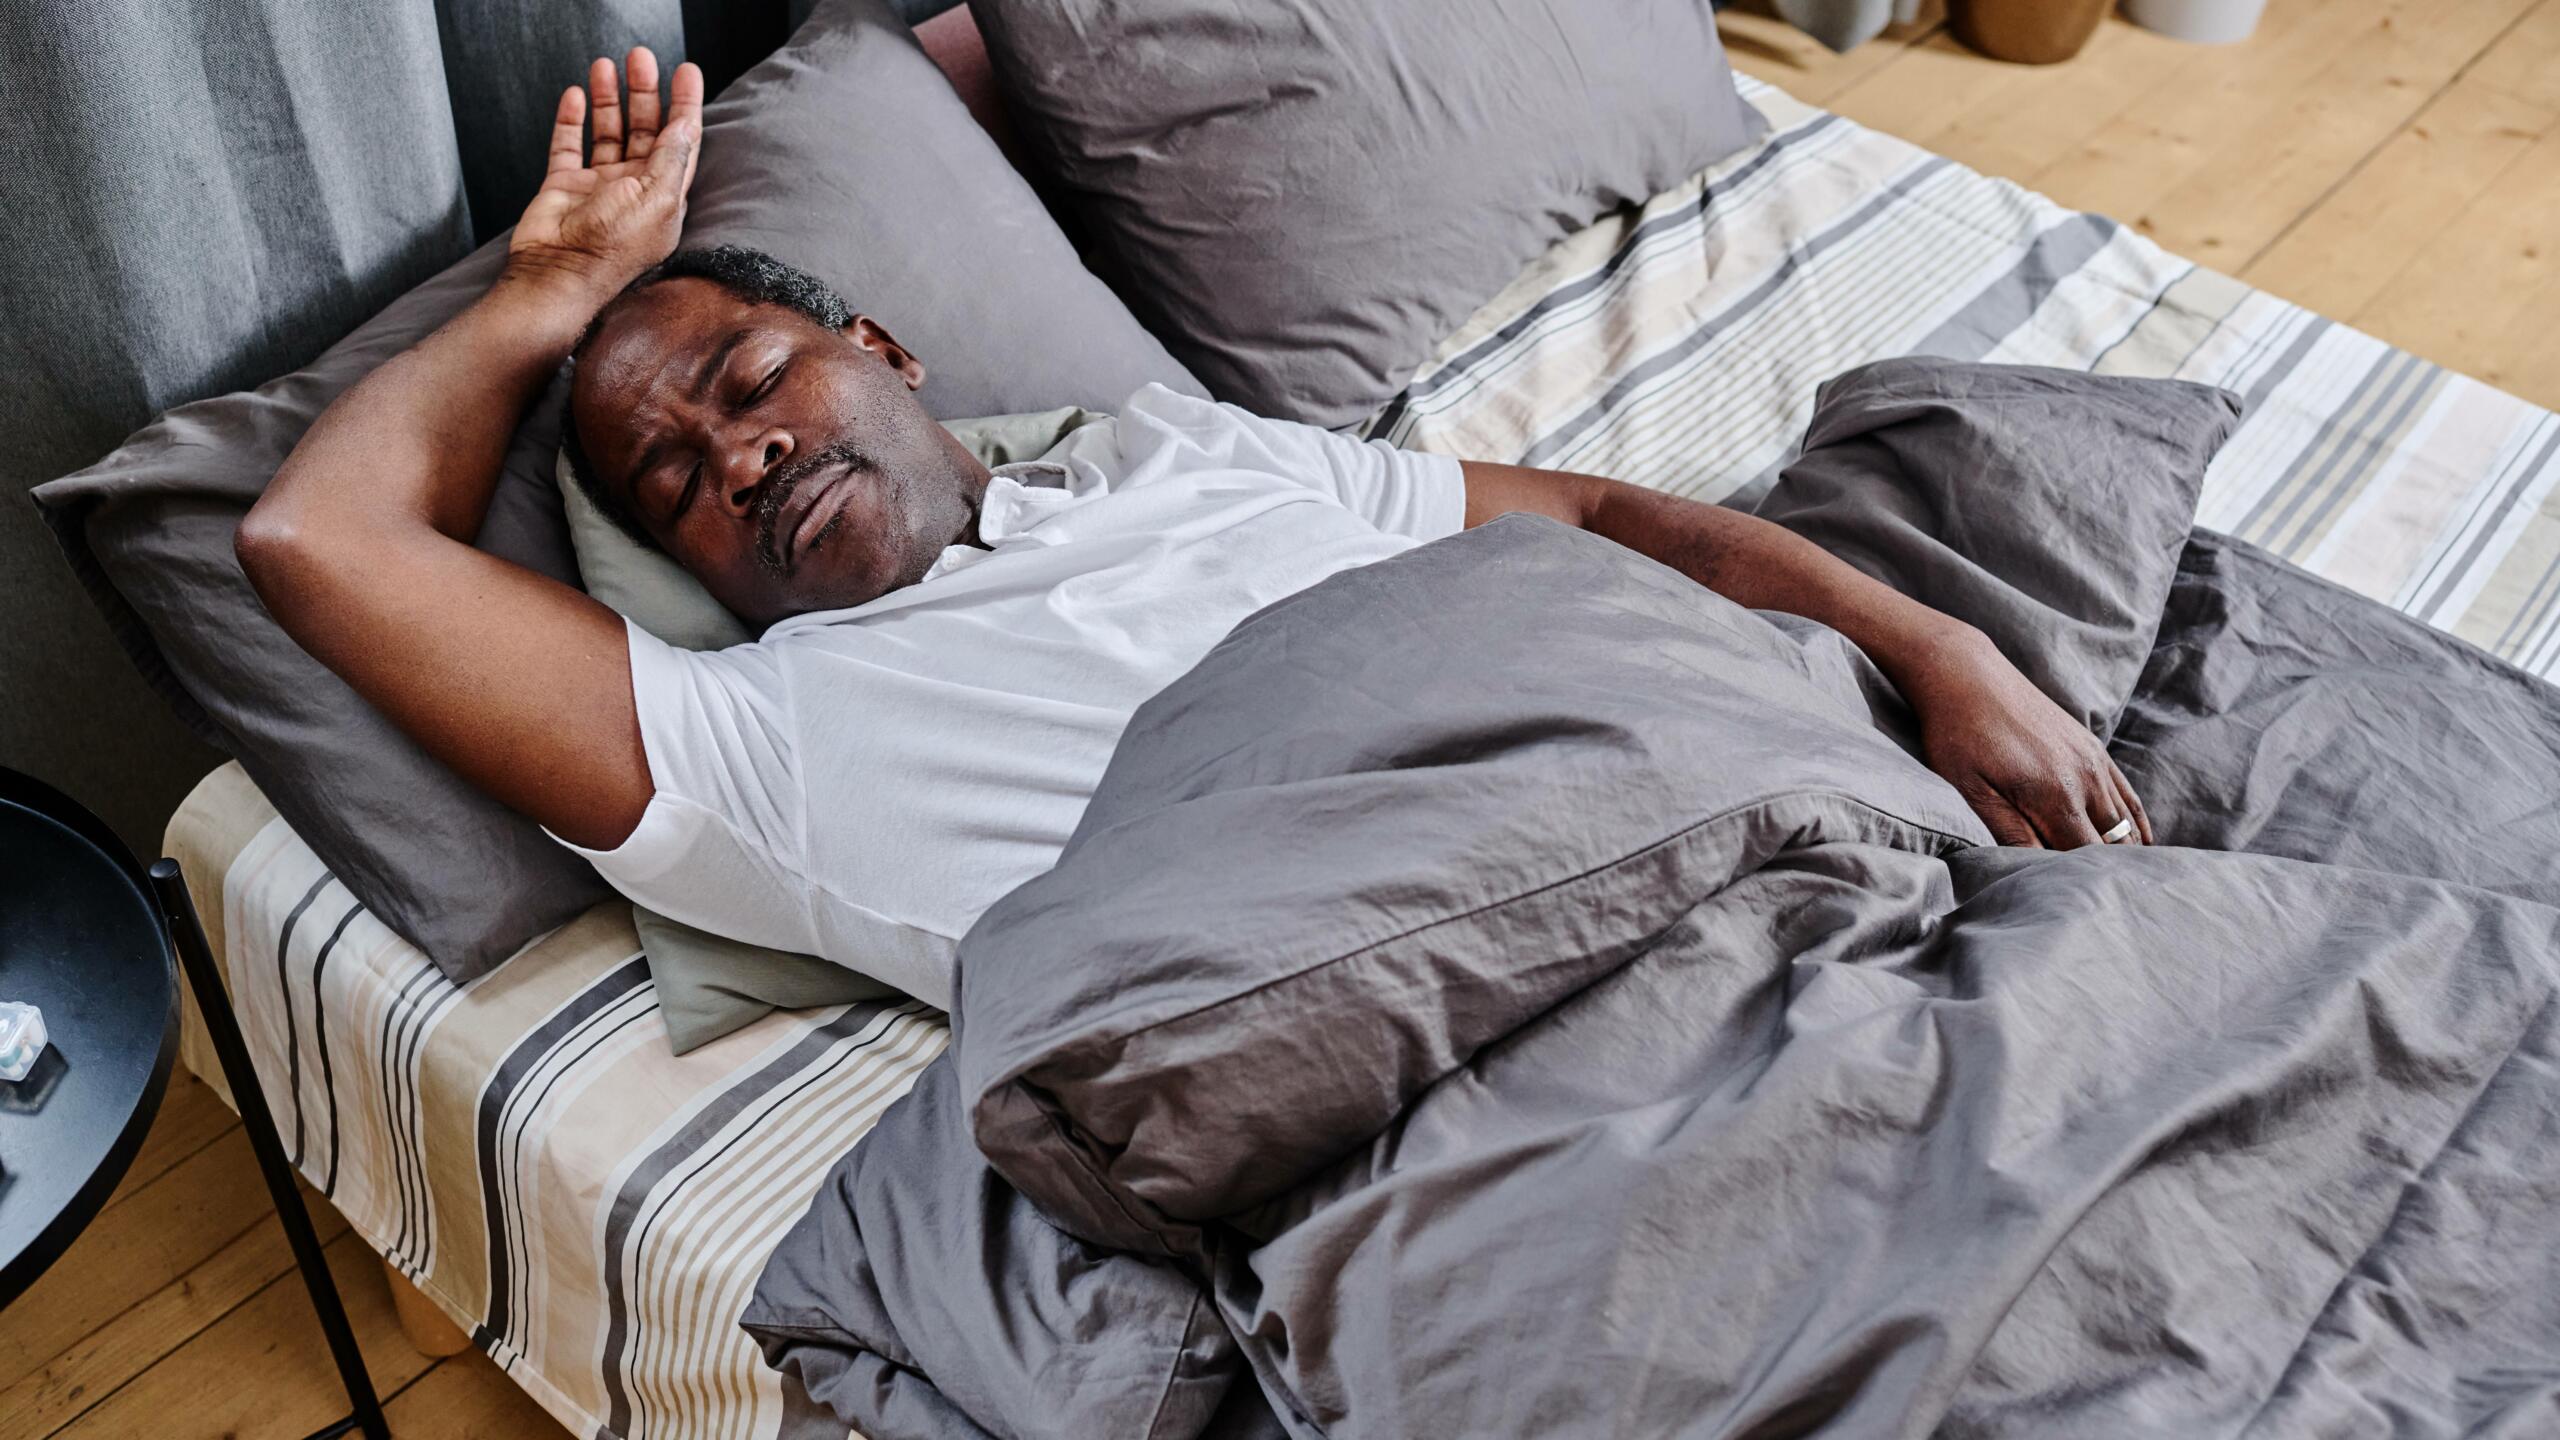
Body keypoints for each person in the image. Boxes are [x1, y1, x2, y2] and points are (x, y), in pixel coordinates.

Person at [239, 51, 2150, 1007]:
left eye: (749, 384)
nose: (731, 460)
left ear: (880, 352)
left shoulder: (1202, 460)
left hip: (1742, 830)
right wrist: (540, 302)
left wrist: (1943, 650)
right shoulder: (755, 749)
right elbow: (316, 544)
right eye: (672, 482)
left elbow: (1594, 515)